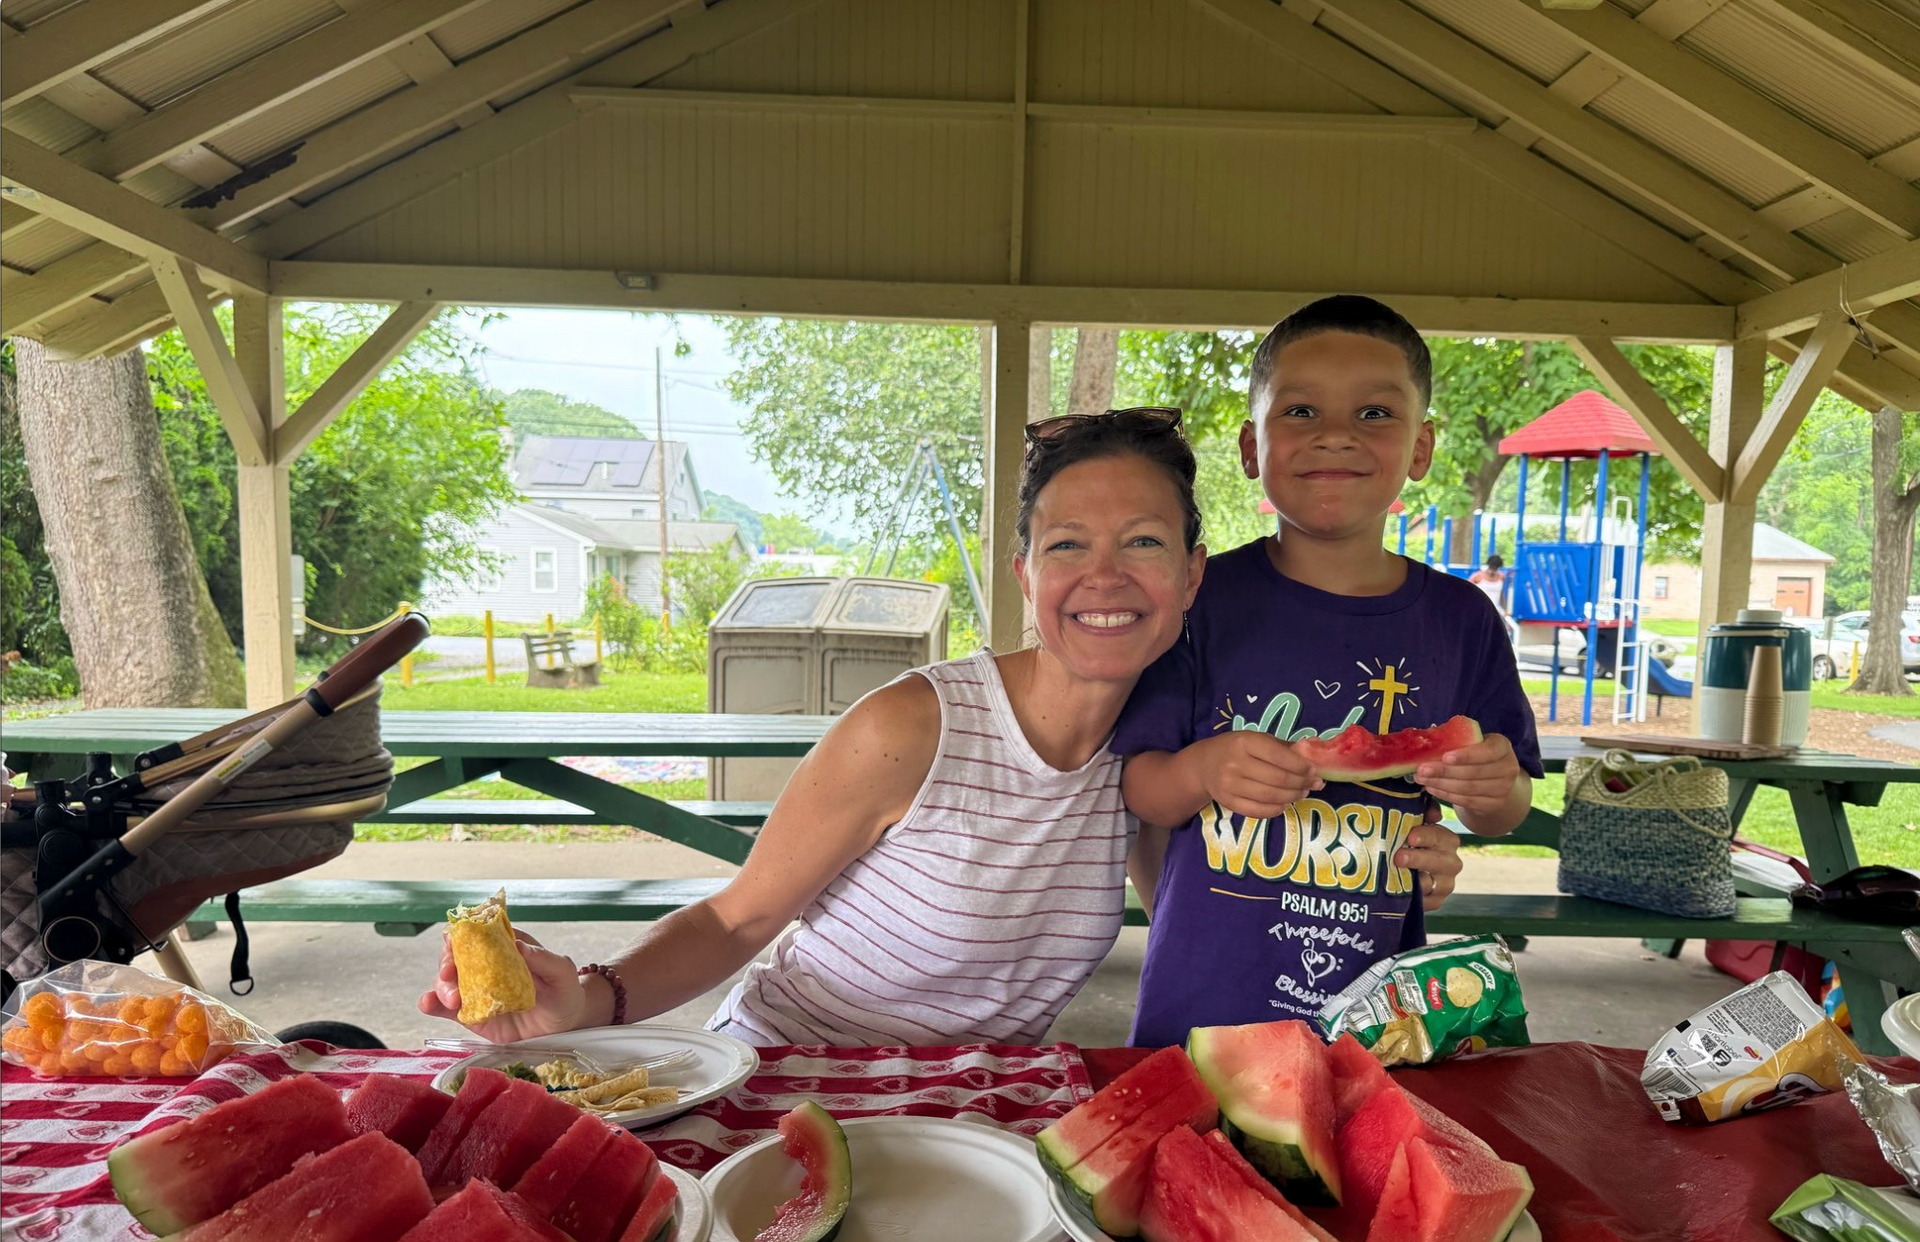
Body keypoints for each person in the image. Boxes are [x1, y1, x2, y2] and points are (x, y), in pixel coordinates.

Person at [421, 406, 1470, 1048]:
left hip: (972, 1117)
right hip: (791, 1080)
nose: (1104, 576)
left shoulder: (1155, 758)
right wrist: (591, 1001)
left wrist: (1393, 860)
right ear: (1025, 575)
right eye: (1068, 545)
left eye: (1145, 541)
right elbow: (740, 921)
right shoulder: (913, 725)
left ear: (1193, 574)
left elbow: (1213, 905)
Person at [1113, 296, 1542, 1048]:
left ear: (1421, 448)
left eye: (1375, 413)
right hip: (1199, 1012)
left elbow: (1503, 808)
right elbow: (1138, 787)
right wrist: (1205, 768)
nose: (1337, 435)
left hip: (1376, 1017)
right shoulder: (1195, 598)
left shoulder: (1462, 620)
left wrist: (1492, 788)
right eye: (1301, 411)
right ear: (1252, 448)